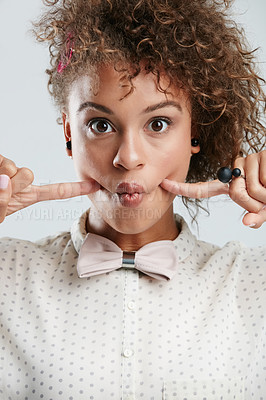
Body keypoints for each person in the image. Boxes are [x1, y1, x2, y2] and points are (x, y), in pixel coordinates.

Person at [0, 0, 266, 398]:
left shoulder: (251, 281)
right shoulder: (8, 274)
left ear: (195, 132)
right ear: (69, 133)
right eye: (100, 124)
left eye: (158, 124)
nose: (128, 158)